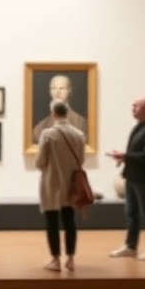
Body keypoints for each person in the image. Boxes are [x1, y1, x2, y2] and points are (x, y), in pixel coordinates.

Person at [107, 96, 145, 261]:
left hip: (143, 178)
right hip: (131, 176)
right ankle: (130, 246)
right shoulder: (138, 127)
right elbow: (136, 153)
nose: (133, 109)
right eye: (133, 106)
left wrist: (126, 156)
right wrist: (124, 158)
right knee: (131, 213)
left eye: (136, 106)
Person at [34, 101, 85, 272]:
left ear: (53, 113)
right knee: (69, 220)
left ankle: (55, 260)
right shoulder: (78, 134)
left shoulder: (48, 134)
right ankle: (70, 259)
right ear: (67, 113)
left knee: (52, 221)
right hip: (71, 183)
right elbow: (81, 160)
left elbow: (40, 161)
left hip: (52, 182)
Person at [32, 75, 88, 143]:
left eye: (62, 88)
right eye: (53, 88)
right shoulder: (40, 127)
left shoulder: (82, 123)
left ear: (69, 90)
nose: (57, 92)